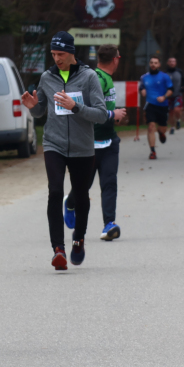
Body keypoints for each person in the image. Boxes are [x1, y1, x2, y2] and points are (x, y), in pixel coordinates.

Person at [21, 31, 109, 270]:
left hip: (82, 147)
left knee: (81, 195)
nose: (57, 58)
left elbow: (101, 114)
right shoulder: (47, 77)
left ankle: (78, 240)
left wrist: (76, 106)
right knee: (55, 191)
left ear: (71, 53)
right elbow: (41, 111)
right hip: (54, 144)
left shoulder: (89, 77)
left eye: (60, 54)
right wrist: (33, 107)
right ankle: (58, 249)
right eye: (53, 54)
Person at [63, 44, 127, 241]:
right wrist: (112, 114)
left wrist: (113, 116)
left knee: (109, 183)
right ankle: (70, 203)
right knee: (84, 186)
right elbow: (86, 110)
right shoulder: (96, 79)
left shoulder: (106, 78)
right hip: (88, 143)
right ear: (115, 59)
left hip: (109, 142)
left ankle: (109, 224)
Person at [139, 56, 173, 159]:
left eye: (155, 63)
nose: (153, 64)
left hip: (162, 105)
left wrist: (164, 97)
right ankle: (153, 151)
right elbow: (141, 87)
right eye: (151, 62)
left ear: (159, 65)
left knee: (162, 129)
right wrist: (142, 91)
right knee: (151, 127)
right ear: (149, 64)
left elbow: (171, 89)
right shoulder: (144, 77)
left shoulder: (164, 77)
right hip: (150, 105)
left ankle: (161, 133)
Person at [166, 56, 184, 134]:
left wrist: (183, 87)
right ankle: (172, 127)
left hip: (178, 94)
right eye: (170, 61)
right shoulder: (165, 73)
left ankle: (178, 120)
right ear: (168, 63)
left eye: (173, 61)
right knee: (171, 112)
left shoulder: (179, 72)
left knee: (177, 110)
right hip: (168, 95)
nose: (172, 63)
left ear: (175, 63)